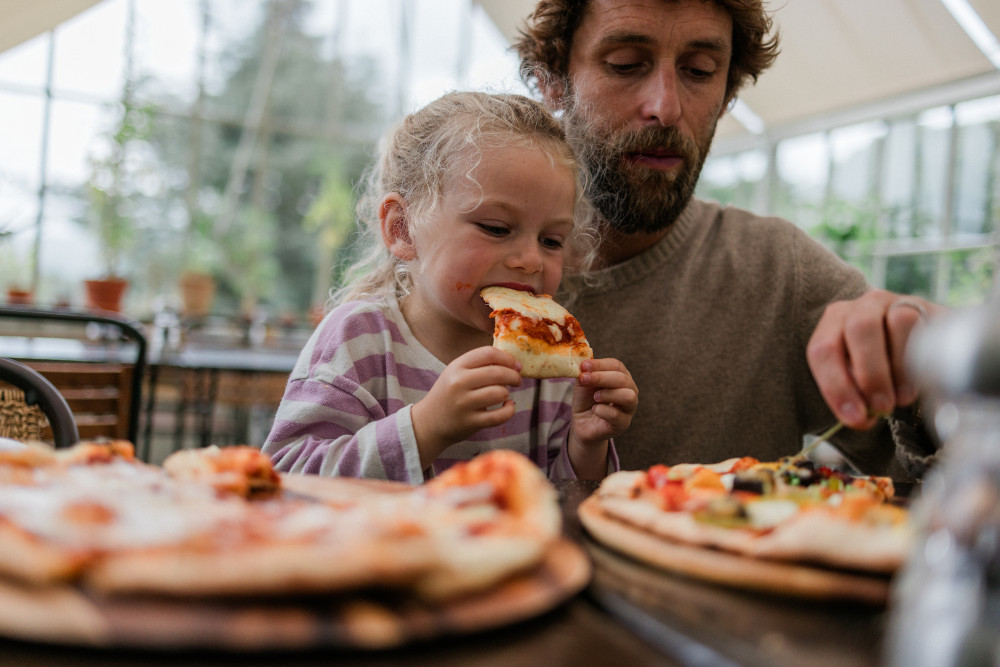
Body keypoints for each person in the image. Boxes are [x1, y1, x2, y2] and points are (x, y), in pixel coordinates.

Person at [514, 0, 944, 480]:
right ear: (551, 79)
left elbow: (947, 480)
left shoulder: (779, 273)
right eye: (626, 65)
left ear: (728, 93)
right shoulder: (458, 272)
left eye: (699, 71)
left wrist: (940, 361)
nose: (666, 107)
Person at [262, 91, 638, 483]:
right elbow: (285, 477)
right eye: (496, 228)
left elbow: (556, 502)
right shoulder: (359, 340)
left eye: (552, 241)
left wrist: (585, 444)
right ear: (403, 229)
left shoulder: (547, 364)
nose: (531, 259)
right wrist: (425, 428)